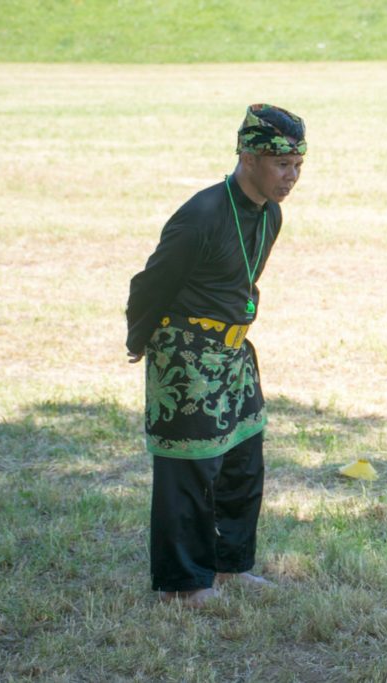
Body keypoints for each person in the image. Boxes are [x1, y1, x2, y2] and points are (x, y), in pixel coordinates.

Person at [125, 104, 306, 607]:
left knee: (244, 461)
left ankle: (229, 568)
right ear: (248, 158)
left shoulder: (271, 212)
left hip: (234, 352)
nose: (291, 177)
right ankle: (184, 585)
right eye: (280, 164)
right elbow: (150, 284)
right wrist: (139, 341)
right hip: (185, 354)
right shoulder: (201, 215)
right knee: (188, 471)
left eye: (298, 166)